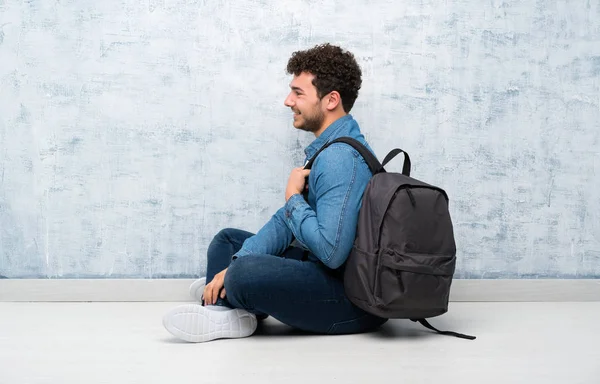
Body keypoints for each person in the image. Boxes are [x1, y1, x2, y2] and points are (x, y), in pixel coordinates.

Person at [162, 43, 387, 342]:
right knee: (228, 242)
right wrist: (236, 260)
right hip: (326, 276)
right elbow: (285, 223)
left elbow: (332, 255)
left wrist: (293, 198)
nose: (287, 101)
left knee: (245, 273)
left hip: (349, 301)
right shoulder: (330, 148)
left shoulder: (339, 158)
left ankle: (223, 303)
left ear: (331, 100)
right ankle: (230, 305)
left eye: (298, 93)